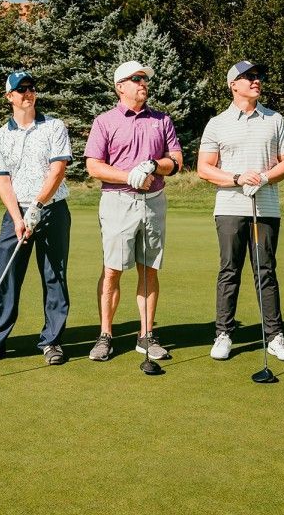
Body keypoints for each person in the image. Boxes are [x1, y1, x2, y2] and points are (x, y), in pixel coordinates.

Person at [196, 60, 284, 362]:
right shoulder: (217, 123)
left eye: (257, 76)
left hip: (265, 207)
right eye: (248, 77)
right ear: (233, 85)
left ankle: (275, 336)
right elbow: (204, 168)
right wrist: (238, 178)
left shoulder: (274, 119)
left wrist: (264, 178)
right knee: (229, 270)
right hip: (230, 207)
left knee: (265, 270)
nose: (256, 80)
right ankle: (223, 333)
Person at [84, 60, 184, 362]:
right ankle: (105, 334)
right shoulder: (105, 121)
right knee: (113, 269)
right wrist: (129, 175)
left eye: (145, 79)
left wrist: (154, 165)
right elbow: (93, 166)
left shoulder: (161, 119)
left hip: (153, 202)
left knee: (148, 268)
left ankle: (146, 335)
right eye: (136, 79)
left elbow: (176, 160)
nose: (143, 83)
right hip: (118, 201)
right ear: (120, 86)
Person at [0, 71, 73, 366]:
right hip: (16, 212)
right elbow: (3, 181)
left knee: (54, 275)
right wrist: (19, 217)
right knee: (6, 275)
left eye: (31, 89)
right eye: (21, 90)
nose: (27, 94)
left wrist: (38, 206)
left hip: (52, 210)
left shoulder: (55, 126)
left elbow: (57, 170)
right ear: (9, 97)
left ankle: (52, 341)